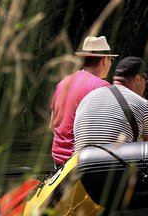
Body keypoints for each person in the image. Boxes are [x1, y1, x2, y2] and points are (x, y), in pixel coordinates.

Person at [73, 56, 148, 152]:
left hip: (81, 165)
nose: (146, 85)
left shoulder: (87, 98)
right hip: (116, 166)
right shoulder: (142, 104)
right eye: (146, 80)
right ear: (137, 79)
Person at [50, 35, 118, 167]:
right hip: (81, 162)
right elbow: (110, 131)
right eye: (112, 59)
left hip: (58, 161)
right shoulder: (102, 87)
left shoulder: (62, 83)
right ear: (104, 60)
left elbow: (52, 126)